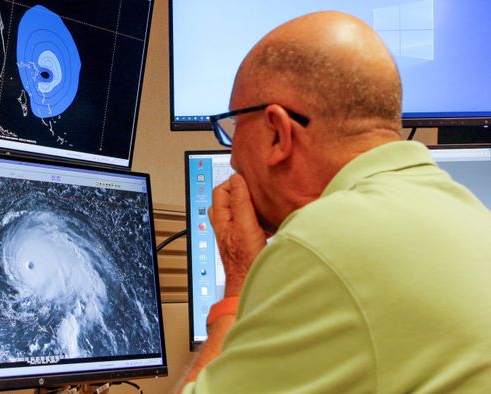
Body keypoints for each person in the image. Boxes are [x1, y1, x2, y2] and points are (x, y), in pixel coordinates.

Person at [177, 11, 491, 393]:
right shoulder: (469, 214)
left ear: (278, 133)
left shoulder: (317, 245)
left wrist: (240, 286)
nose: (233, 159)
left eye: (234, 126)